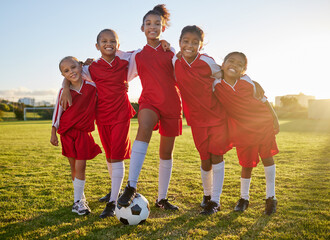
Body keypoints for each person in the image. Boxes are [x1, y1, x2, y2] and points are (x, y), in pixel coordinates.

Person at [61, 29, 136, 218]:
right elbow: (72, 72)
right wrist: (65, 87)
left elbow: (144, 57)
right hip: (102, 117)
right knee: (110, 156)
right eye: (104, 41)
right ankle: (114, 191)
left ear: (118, 45)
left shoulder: (125, 63)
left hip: (121, 115)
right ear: (97, 46)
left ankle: (112, 204)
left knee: (117, 156)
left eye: (112, 41)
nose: (108, 43)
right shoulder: (91, 68)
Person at [117, 4, 182, 211]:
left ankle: (161, 199)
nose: (152, 27)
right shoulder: (137, 55)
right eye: (148, 23)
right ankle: (131, 186)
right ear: (142, 28)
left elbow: (183, 74)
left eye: (157, 24)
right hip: (149, 101)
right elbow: (115, 66)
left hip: (172, 104)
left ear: (163, 28)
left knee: (166, 152)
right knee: (143, 128)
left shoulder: (170, 51)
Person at [173, 25, 231, 215]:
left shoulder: (207, 62)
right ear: (180, 42)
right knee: (204, 159)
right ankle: (206, 195)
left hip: (216, 116)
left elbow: (224, 76)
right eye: (186, 41)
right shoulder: (175, 61)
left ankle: (215, 200)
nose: (190, 45)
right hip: (196, 119)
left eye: (195, 42)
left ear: (201, 45)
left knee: (216, 156)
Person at [213, 52, 279, 215]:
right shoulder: (216, 84)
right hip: (242, 130)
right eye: (231, 61)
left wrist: (275, 119)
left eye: (239, 64)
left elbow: (265, 101)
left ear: (244, 70)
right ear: (223, 64)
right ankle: (244, 198)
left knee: (267, 158)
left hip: (262, 124)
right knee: (246, 164)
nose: (234, 65)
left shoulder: (249, 83)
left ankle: (271, 197)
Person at [50, 56, 102, 216]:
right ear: (63, 75)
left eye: (73, 67)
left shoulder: (92, 87)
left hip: (83, 133)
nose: (71, 72)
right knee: (74, 168)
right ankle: (80, 199)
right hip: (66, 133)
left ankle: (77, 202)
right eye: (66, 71)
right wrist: (53, 132)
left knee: (81, 167)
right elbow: (57, 113)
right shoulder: (63, 91)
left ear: (80, 67)